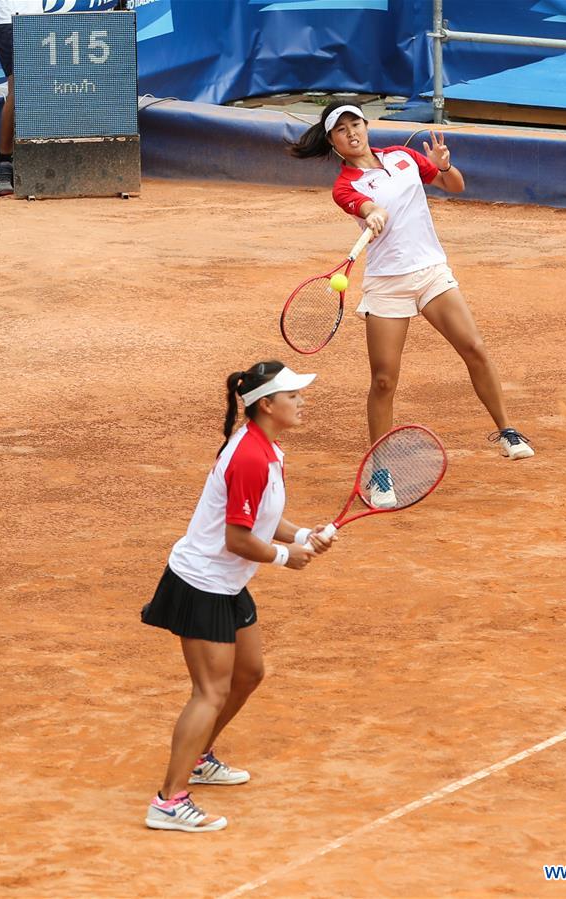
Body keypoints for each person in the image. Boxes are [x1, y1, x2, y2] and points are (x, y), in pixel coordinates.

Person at [288, 102, 534, 505]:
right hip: (388, 285)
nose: (352, 133)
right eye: (342, 130)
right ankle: (380, 472)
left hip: (431, 272)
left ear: (366, 127)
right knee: (384, 380)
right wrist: (371, 212)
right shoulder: (345, 186)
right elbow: (363, 206)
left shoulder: (403, 157)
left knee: (473, 347)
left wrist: (443, 165)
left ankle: (507, 431)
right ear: (333, 142)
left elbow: (454, 186)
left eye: (356, 124)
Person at [142, 361, 334, 832]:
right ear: (266, 404)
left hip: (226, 583)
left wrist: (303, 533)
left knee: (249, 673)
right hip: (202, 583)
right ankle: (168, 801)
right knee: (210, 691)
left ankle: (201, 756)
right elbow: (238, 539)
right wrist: (287, 557)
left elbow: (261, 522)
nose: (301, 401)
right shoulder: (249, 456)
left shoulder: (265, 449)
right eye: (292, 395)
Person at [0, 1, 40, 196]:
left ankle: (28, 160)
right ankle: (4, 165)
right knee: (20, 87)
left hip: (36, 18)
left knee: (35, 88)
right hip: (8, 19)